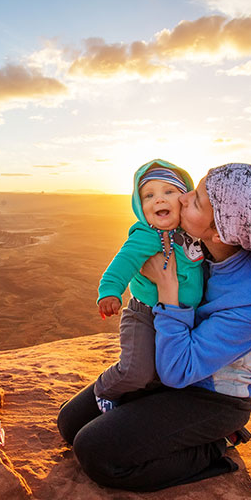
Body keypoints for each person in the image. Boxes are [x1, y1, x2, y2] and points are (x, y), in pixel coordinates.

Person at [57, 163, 251, 492]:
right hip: (169, 369)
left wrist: (167, 290)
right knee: (70, 422)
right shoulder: (201, 243)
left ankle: (215, 446)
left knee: (96, 452)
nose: (185, 196)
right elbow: (139, 249)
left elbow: (180, 369)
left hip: (210, 397)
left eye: (198, 199)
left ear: (221, 231)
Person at [94, 159, 205, 413]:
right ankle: (106, 388)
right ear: (139, 205)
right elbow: (123, 262)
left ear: (185, 198)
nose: (159, 200)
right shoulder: (147, 235)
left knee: (168, 368)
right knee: (136, 370)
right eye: (149, 195)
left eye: (169, 191)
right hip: (144, 314)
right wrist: (110, 291)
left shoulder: (192, 233)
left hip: (183, 315)